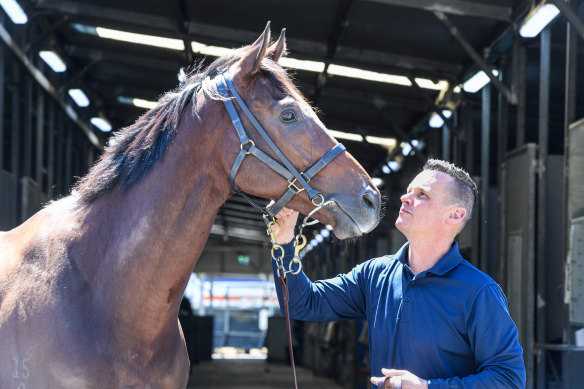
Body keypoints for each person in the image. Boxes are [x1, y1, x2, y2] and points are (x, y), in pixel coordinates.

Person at [269, 159, 526, 389]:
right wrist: (284, 240)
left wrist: (427, 387)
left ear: (455, 215)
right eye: (408, 191)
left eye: (422, 195)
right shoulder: (375, 275)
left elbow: (509, 379)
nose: (405, 198)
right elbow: (302, 303)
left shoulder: (479, 292)